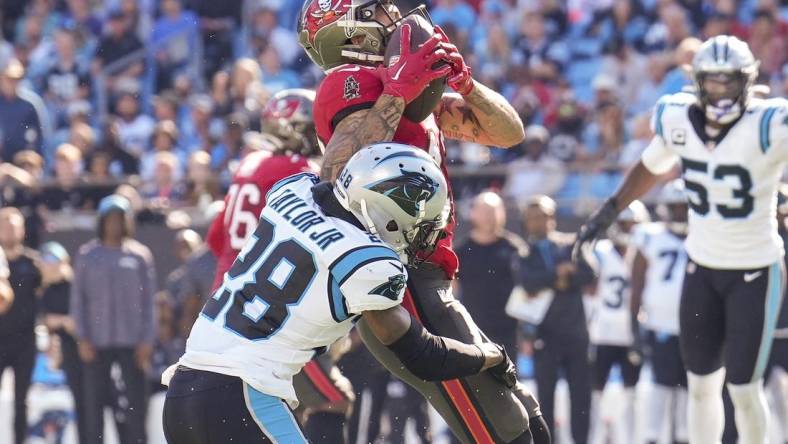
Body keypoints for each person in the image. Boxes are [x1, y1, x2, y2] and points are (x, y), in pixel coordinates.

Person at [298, 2, 548, 442]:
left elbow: (510, 133)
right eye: (377, 9)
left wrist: (465, 83)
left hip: (430, 277)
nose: (394, 15)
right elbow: (333, 174)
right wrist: (396, 91)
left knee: (528, 420)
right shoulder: (349, 82)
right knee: (506, 430)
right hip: (399, 276)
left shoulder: (410, 90)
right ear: (350, 33)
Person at [162, 144, 514, 443]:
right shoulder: (369, 264)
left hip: (181, 390)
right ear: (388, 212)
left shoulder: (294, 190)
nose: (419, 235)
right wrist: (490, 355)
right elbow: (423, 355)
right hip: (241, 398)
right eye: (418, 224)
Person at [573, 35, 787, 444]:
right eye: (713, 82)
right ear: (697, 82)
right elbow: (651, 165)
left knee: (743, 389)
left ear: (747, 81)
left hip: (755, 268)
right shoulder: (678, 119)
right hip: (702, 264)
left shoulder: (769, 123)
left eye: (729, 82)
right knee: (701, 383)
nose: (721, 91)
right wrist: (610, 210)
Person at [206, 88, 357, 442]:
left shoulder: (247, 165)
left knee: (284, 408)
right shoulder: (300, 171)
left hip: (224, 306)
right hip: (268, 314)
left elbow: (217, 239)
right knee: (332, 400)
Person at [71, 194, 157, 444]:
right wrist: (83, 338)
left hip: (133, 344)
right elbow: (78, 301)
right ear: (101, 221)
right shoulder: (87, 255)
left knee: (134, 408)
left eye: (120, 219)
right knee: (94, 406)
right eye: (110, 220)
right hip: (96, 345)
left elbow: (149, 302)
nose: (115, 225)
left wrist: (147, 341)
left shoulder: (140, 256)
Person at [516, 196, 594, 443]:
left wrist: (552, 279)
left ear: (553, 217)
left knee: (580, 396)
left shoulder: (569, 244)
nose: (538, 222)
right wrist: (557, 275)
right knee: (544, 399)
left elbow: (589, 273)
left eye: (543, 216)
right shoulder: (524, 251)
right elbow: (526, 280)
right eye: (532, 218)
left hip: (575, 331)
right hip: (544, 335)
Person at [630, 180, 690, 444]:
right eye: (675, 207)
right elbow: (637, 284)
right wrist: (633, 325)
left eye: (685, 207)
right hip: (660, 325)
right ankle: (652, 437)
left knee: (690, 388)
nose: (680, 213)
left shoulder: (705, 237)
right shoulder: (649, 236)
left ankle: (685, 437)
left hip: (693, 328)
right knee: (660, 385)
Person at [587, 201, 649, 444]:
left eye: (633, 225)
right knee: (596, 392)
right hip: (602, 331)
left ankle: (632, 439)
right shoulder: (600, 251)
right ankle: (596, 438)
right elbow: (589, 290)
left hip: (632, 332)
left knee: (633, 392)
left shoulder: (645, 251)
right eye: (624, 224)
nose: (629, 230)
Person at [456, 191, 525, 357]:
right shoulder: (461, 251)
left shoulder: (514, 248)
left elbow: (524, 288)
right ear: (473, 214)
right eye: (485, 211)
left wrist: (525, 331)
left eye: (494, 211)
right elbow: (452, 290)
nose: (489, 217)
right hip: (473, 329)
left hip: (508, 329)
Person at [0, 207, 42, 444]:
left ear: (23, 229)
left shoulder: (33, 263)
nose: (9, 230)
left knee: (21, 400)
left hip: (25, 341)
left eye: (14, 225)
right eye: (4, 225)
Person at [38, 241, 87, 444]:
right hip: (70, 351)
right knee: (80, 401)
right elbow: (50, 324)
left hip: (91, 350)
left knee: (94, 401)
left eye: (52, 260)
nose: (48, 265)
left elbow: (81, 322)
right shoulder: (48, 291)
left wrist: (66, 322)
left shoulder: (78, 285)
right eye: (44, 260)